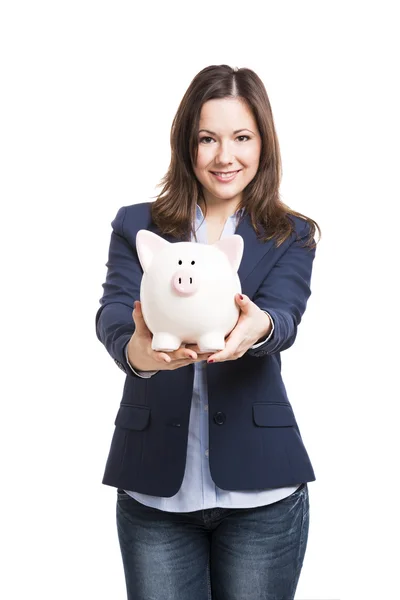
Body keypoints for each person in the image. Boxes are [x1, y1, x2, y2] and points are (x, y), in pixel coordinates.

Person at [95, 64, 321, 600]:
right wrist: (142, 353)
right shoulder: (138, 225)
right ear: (186, 143)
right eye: (208, 138)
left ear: (263, 143)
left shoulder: (292, 234)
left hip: (263, 493)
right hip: (156, 496)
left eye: (242, 137)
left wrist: (256, 327)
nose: (225, 156)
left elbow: (283, 315)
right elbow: (111, 316)